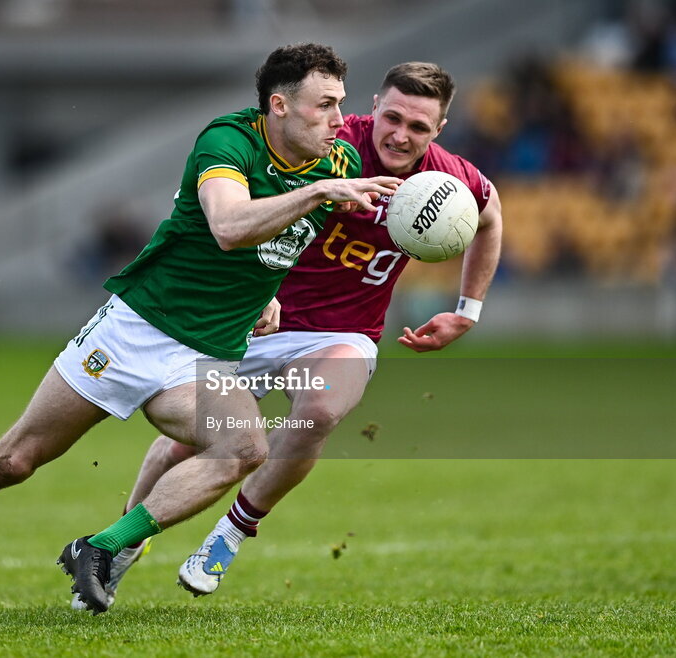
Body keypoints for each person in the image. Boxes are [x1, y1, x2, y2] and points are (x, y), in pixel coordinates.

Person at [0, 43, 401, 617]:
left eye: (341, 104)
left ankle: (102, 546)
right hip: (136, 329)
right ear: (279, 106)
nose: (339, 120)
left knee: (243, 447)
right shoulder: (229, 141)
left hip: (204, 357)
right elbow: (230, 227)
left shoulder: (340, 165)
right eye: (325, 105)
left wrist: (273, 293)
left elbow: (288, 243)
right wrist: (315, 193)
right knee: (12, 462)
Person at [77, 61, 503, 607]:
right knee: (179, 448)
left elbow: (490, 216)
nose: (400, 135)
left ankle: (230, 534)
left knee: (320, 411)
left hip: (343, 333)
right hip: (253, 321)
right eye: (392, 117)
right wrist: (259, 284)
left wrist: (467, 310)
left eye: (418, 128)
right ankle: (121, 547)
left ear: (438, 130)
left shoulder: (449, 181)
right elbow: (231, 209)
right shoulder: (327, 144)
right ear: (372, 105)